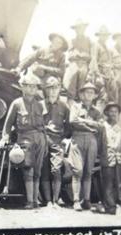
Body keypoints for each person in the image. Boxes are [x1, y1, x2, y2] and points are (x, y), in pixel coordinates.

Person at [0, 73, 47, 209]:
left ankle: (36, 201)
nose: (32, 89)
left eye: (34, 87)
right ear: (22, 87)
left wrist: (45, 141)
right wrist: (5, 137)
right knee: (28, 169)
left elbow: (43, 125)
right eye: (28, 86)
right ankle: (30, 201)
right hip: (25, 139)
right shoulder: (16, 103)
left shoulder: (39, 105)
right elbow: (8, 125)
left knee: (38, 170)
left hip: (40, 139)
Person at [68, 82, 102, 211]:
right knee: (78, 170)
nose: (89, 94)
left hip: (91, 141)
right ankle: (76, 200)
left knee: (88, 171)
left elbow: (99, 126)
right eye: (86, 92)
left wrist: (83, 121)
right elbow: (73, 121)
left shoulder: (96, 111)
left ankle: (86, 200)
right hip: (77, 138)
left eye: (92, 92)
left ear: (94, 96)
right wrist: (90, 125)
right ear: (81, 94)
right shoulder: (76, 107)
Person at [41, 77, 70, 208]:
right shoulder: (39, 105)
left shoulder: (64, 106)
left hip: (57, 140)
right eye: (49, 88)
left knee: (56, 170)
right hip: (42, 140)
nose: (52, 91)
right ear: (46, 90)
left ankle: (56, 200)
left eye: (55, 88)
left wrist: (64, 137)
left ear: (59, 89)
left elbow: (69, 125)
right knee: (44, 171)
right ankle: (47, 201)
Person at [99, 102, 121, 215]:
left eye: (116, 112)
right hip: (107, 159)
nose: (113, 114)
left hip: (120, 159)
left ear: (118, 114)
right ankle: (110, 208)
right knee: (108, 185)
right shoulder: (102, 126)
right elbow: (99, 143)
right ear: (107, 113)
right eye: (111, 111)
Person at [63, 19, 92, 100]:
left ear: (84, 29)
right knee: (70, 83)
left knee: (82, 87)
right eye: (77, 28)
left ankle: (80, 104)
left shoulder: (88, 40)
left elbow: (92, 54)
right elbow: (68, 54)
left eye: (81, 28)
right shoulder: (71, 41)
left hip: (84, 64)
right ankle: (70, 102)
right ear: (75, 30)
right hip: (74, 63)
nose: (79, 30)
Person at [90, 26, 115, 104]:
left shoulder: (107, 48)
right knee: (99, 96)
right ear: (99, 35)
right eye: (102, 35)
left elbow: (110, 62)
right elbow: (94, 60)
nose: (104, 37)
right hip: (99, 74)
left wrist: (111, 74)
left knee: (107, 97)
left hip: (107, 75)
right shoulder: (96, 45)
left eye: (105, 35)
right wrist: (98, 75)